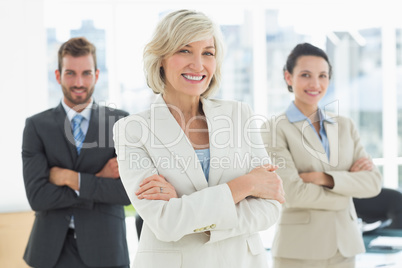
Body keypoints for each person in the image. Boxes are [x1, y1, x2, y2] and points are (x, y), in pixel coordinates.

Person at [113, 9, 285, 268]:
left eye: (208, 53)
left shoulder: (239, 114)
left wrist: (190, 214)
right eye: (184, 50)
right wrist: (247, 184)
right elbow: (166, 224)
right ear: (161, 58)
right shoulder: (132, 130)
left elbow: (270, 205)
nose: (198, 64)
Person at [260, 43, 382, 268]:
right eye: (305, 75)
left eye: (323, 75)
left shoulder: (345, 126)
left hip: (345, 248)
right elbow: (292, 193)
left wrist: (324, 178)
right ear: (289, 77)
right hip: (298, 251)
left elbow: (373, 183)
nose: (315, 84)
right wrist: (347, 190)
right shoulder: (274, 128)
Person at [22, 37, 131, 268]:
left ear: (97, 75)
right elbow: (38, 197)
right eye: (70, 73)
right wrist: (98, 179)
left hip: (106, 249)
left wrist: (70, 179)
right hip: (51, 251)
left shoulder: (119, 122)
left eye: (86, 73)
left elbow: (127, 193)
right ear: (58, 75)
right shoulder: (36, 126)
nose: (79, 82)